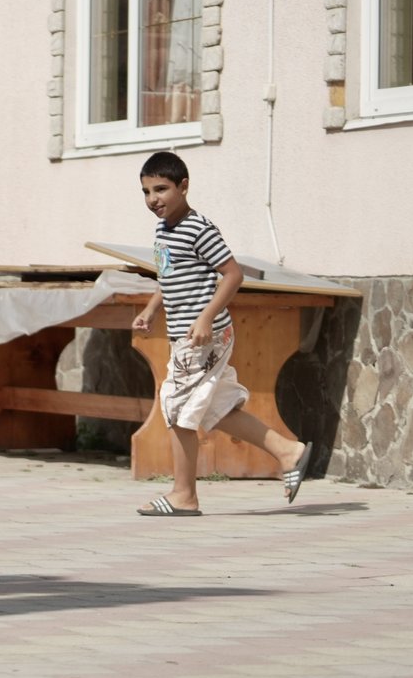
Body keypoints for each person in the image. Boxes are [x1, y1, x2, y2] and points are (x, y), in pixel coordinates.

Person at [130, 151, 313, 516]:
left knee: (178, 406)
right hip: (187, 335)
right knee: (217, 407)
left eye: (161, 189)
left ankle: (184, 495)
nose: (154, 200)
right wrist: (152, 309)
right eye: (147, 191)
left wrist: (205, 319)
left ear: (183, 186)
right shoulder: (163, 229)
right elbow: (167, 276)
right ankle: (288, 452)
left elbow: (233, 275)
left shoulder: (199, 228)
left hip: (203, 335)